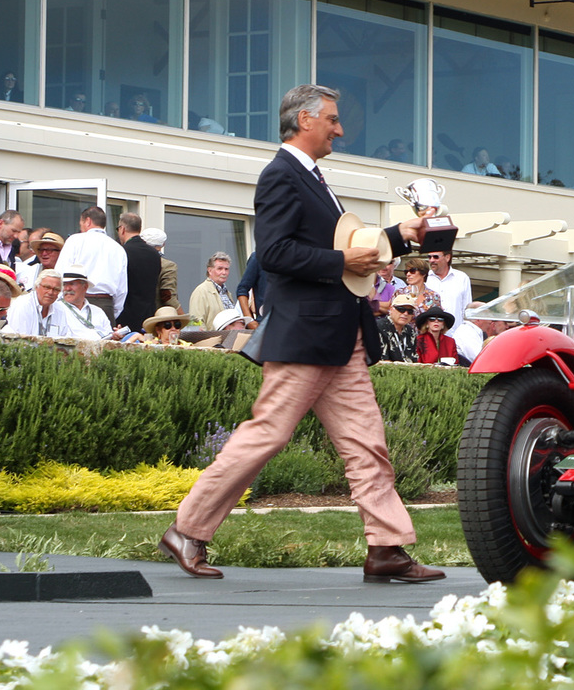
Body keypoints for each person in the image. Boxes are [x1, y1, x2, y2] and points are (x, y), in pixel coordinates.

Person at [161, 83, 443, 584]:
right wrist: (341, 260)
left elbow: (346, 246)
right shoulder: (280, 176)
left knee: (367, 444)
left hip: (338, 337)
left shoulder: (311, 177)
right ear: (305, 120)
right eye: (332, 119)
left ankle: (386, 548)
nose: (339, 127)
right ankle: (188, 529)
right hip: (307, 335)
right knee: (267, 434)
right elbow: (274, 255)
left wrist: (401, 236)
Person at [58, 206, 128, 325]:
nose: (80, 227)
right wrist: (112, 310)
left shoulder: (75, 240)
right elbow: (122, 289)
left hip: (75, 302)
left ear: (88, 221)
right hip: (106, 304)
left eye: (81, 223)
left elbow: (60, 273)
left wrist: (60, 302)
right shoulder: (118, 248)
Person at [116, 213, 161, 334]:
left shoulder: (122, 252)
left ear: (122, 229)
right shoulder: (154, 254)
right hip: (148, 316)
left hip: (126, 316)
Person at [3, 271, 78, 338]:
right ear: (36, 287)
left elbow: (64, 338)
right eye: (47, 287)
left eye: (56, 289)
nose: (50, 292)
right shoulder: (23, 304)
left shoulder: (60, 310)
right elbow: (21, 339)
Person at [60, 269, 114, 341]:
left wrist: (115, 336)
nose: (67, 288)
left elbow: (109, 338)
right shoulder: (57, 309)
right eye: (64, 284)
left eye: (72, 284)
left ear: (85, 287)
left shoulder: (98, 311)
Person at [188, 252, 235, 329]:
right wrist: (207, 340)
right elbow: (195, 324)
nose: (224, 272)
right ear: (209, 270)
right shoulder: (201, 291)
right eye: (220, 269)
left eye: (226, 269)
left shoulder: (227, 293)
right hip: (213, 340)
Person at [141, 227, 179, 309]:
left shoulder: (132, 260)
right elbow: (168, 296)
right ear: (163, 244)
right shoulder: (167, 265)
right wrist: (183, 317)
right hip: (157, 316)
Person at [379, 293, 419, 363]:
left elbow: (413, 359)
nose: (405, 314)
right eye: (401, 309)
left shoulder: (410, 331)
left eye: (410, 311)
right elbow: (382, 361)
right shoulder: (379, 327)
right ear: (391, 309)